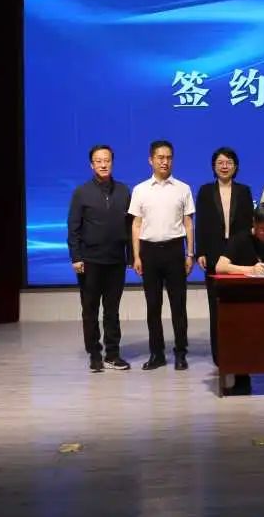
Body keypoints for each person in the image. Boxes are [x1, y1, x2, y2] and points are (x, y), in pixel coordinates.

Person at [215, 202, 264, 394]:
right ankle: (242, 377)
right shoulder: (240, 239)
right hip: (246, 301)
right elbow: (220, 266)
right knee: (239, 329)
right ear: (254, 223)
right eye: (263, 230)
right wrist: (249, 270)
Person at [129, 140, 196, 372]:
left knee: (179, 306)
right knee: (153, 306)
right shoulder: (140, 190)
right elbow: (136, 225)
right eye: (160, 157)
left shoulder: (183, 188)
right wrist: (136, 256)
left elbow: (188, 223)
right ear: (151, 160)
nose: (164, 161)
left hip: (174, 251)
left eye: (168, 157)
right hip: (148, 252)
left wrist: (190, 253)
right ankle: (156, 353)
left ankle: (180, 353)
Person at [67, 144, 132, 373]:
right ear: (91, 165)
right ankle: (94, 354)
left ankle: (112, 354)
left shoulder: (123, 191)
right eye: (98, 161)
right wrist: (76, 257)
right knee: (90, 309)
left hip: (116, 260)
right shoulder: (81, 192)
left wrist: (131, 256)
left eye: (107, 160)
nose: (103, 165)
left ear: (112, 163)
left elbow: (130, 226)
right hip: (90, 261)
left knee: (112, 310)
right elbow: (73, 227)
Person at [195, 147, 254, 367]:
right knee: (216, 305)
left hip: (239, 255)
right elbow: (201, 223)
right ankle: (219, 355)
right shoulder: (205, 191)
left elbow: (249, 225)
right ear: (214, 166)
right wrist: (201, 251)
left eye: (229, 162)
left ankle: (239, 350)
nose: (224, 166)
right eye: (220, 162)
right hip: (213, 252)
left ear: (235, 166)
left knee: (239, 306)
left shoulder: (244, 191)